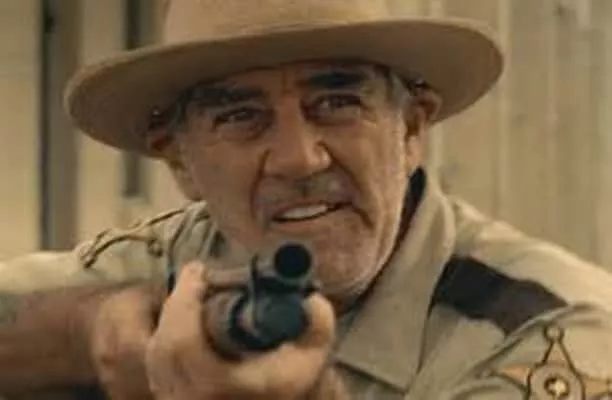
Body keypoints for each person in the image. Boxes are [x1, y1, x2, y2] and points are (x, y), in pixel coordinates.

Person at [2, 0, 612, 398]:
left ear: (410, 129)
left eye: (338, 102)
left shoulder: (558, 327)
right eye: (240, 115)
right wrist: (84, 333)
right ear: (180, 162)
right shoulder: (176, 255)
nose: (299, 158)